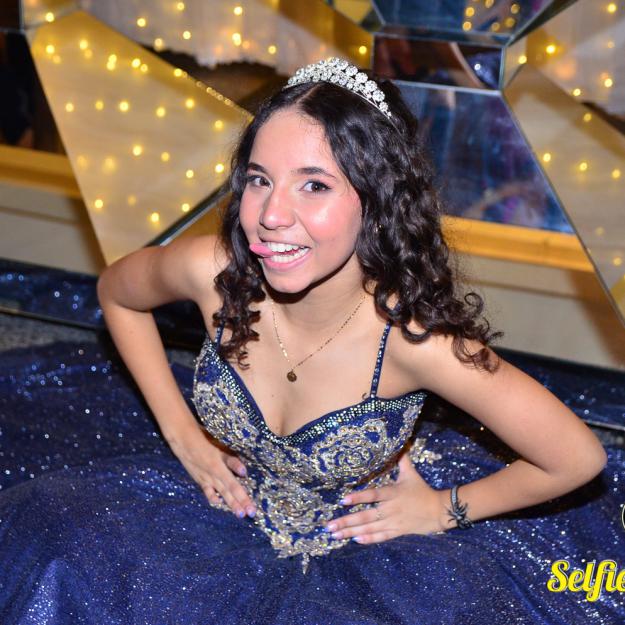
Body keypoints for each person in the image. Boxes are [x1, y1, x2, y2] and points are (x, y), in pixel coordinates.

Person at [1, 56, 624, 624]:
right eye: (259, 179)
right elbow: (116, 293)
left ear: (376, 201)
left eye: (315, 185)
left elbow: (576, 458)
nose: (271, 215)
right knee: (56, 543)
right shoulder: (212, 271)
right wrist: (182, 431)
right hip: (212, 508)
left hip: (360, 560)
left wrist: (444, 508)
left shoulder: (413, 341)